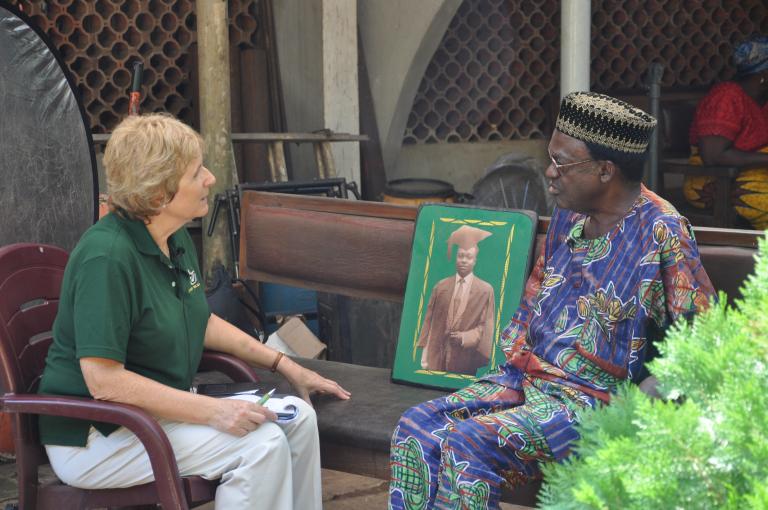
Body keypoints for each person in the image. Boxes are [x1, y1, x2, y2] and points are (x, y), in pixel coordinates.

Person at [389, 92, 716, 509]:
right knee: (416, 427)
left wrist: (648, 399)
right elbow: (537, 296)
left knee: (470, 443)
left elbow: (702, 340)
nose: (549, 171)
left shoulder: (662, 231)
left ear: (604, 170)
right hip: (527, 380)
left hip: (595, 403)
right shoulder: (570, 212)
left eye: (563, 163)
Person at [37, 113, 351, 510]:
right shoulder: (108, 258)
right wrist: (214, 412)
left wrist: (285, 365)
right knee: (260, 445)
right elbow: (103, 382)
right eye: (195, 173)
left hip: (152, 414)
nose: (210, 179)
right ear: (157, 196)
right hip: (99, 435)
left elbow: (199, 320)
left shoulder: (173, 236)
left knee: (298, 419)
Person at [684, 34, 768, 230]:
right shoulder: (726, 97)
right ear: (763, 74)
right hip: (716, 179)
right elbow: (713, 156)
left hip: (757, 173)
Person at [418, 225, 495, 375]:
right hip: (436, 357)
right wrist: (425, 354)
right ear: (456, 257)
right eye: (460, 256)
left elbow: (485, 326)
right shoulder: (441, 286)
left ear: (475, 261)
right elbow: (430, 321)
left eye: (469, 257)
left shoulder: (485, 290)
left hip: (464, 359)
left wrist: (464, 337)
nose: (464, 260)